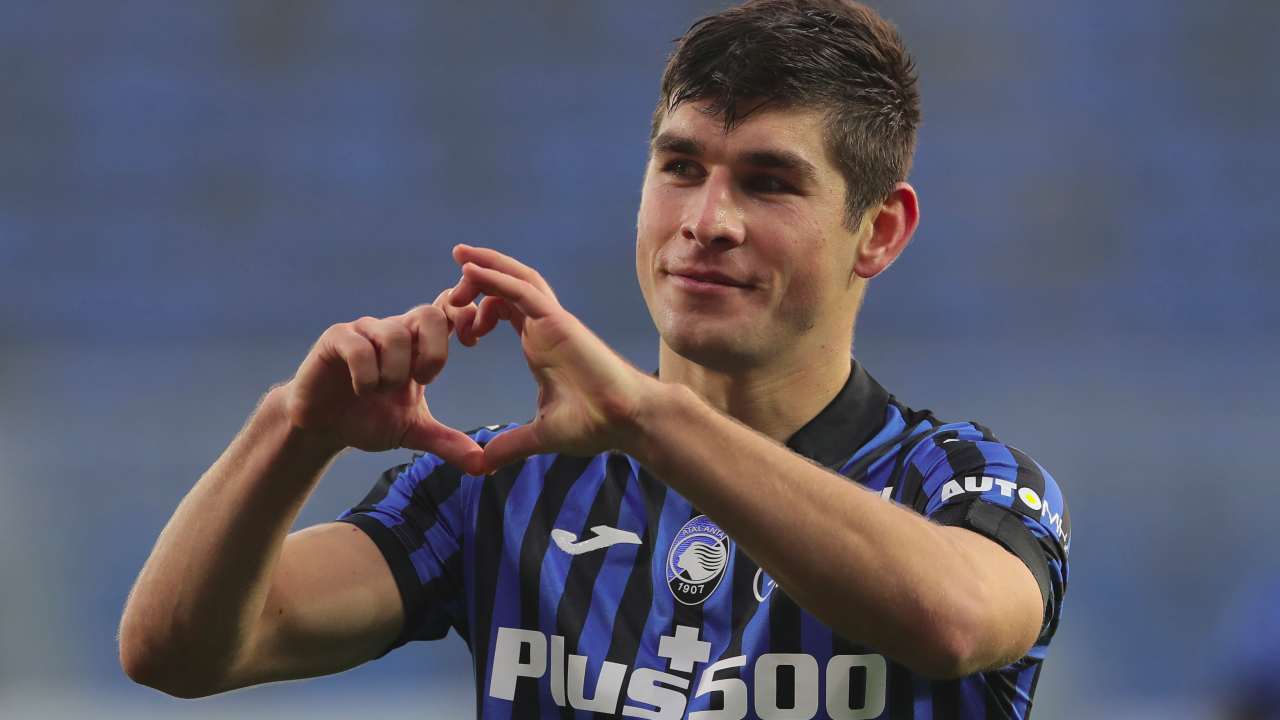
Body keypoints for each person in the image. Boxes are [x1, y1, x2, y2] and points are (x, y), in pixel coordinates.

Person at [118, 0, 1071, 717]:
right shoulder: (502, 485)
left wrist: (648, 421)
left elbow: (950, 620)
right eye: (681, 166)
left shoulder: (956, 480)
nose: (708, 222)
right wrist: (294, 431)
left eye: (770, 182)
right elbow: (174, 652)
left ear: (880, 231)